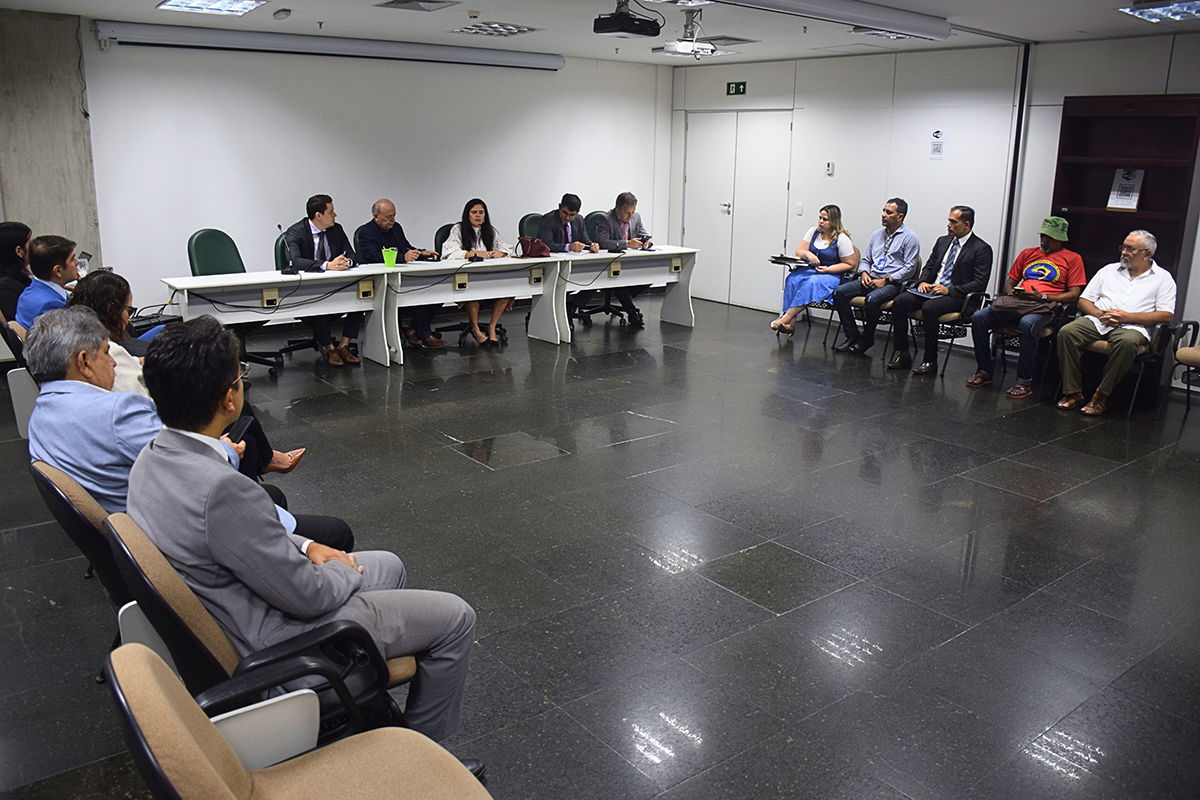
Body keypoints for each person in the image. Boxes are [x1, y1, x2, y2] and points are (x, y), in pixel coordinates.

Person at [127, 316, 476, 745]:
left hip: (245, 603)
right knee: (457, 618)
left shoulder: (151, 457)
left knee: (390, 565)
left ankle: (367, 707)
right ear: (229, 399)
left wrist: (309, 545)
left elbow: (232, 537)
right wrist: (343, 568)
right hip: (283, 648)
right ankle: (425, 754)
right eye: (240, 375)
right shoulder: (221, 489)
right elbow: (308, 597)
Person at [24, 308, 348, 549]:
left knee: (271, 495)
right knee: (337, 533)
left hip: (125, 531)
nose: (112, 362)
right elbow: (189, 468)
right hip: (172, 532)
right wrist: (226, 451)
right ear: (83, 362)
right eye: (107, 353)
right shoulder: (116, 411)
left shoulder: (40, 416)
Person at [67, 270, 305, 477]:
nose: (129, 318)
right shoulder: (113, 357)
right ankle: (267, 461)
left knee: (244, 423)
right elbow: (142, 404)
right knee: (241, 420)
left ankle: (268, 460)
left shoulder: (83, 344)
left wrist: (137, 362)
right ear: (110, 309)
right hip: (171, 423)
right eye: (128, 309)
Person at [1056, 229, 1176, 416]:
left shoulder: (1163, 278)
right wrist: (1098, 313)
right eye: (1123, 247)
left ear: (1147, 254)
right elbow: (1084, 300)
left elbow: (1166, 315)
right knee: (1067, 332)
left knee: (1127, 342)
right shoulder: (1108, 270)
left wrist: (1126, 317)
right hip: (1099, 320)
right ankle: (1073, 393)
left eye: (1130, 249)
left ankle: (1100, 397)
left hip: (1133, 326)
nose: (1124, 252)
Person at [967, 217, 1087, 398]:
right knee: (979, 318)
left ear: (1060, 238)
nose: (1044, 241)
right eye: (1043, 236)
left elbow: (1074, 294)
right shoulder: (1028, 254)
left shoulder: (1072, 258)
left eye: (1050, 237)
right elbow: (1010, 282)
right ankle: (984, 370)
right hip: (1019, 302)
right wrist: (1013, 292)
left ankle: (1024, 380)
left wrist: (1043, 297)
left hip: (1045, 307)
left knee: (1027, 324)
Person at [887, 205, 992, 374]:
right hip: (931, 290)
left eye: (953, 222)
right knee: (900, 302)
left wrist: (949, 290)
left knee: (929, 308)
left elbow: (979, 283)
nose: (948, 225)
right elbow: (929, 266)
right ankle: (903, 353)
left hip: (957, 296)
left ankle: (930, 361)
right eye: (948, 221)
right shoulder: (943, 241)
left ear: (967, 225)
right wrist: (922, 282)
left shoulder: (981, 248)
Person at [832, 198, 921, 355]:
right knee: (839, 292)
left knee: (872, 299)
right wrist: (864, 273)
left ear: (900, 216)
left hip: (893, 284)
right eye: (883, 211)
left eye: (889, 212)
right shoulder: (876, 235)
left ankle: (867, 339)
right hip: (871, 278)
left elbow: (909, 269)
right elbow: (866, 260)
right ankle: (852, 336)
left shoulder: (910, 237)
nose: (883, 215)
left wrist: (885, 281)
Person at [283, 194, 363, 366]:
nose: (335, 215)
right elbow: (294, 261)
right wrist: (327, 265)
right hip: (307, 291)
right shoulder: (295, 232)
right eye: (331, 212)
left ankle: (344, 345)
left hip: (336, 286)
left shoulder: (336, 229)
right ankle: (329, 349)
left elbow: (352, 255)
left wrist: (346, 262)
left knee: (362, 296)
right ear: (318, 215)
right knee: (318, 300)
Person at [356, 198, 446, 349]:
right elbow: (374, 257)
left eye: (394, 215)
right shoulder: (366, 233)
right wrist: (403, 257)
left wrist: (421, 253)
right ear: (376, 216)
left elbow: (406, 248)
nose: (392, 220)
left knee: (436, 291)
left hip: (401, 276)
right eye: (388, 217)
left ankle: (413, 330)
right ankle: (424, 334)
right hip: (381, 281)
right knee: (417, 292)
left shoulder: (396, 228)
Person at [770, 205, 857, 335]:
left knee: (810, 283)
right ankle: (790, 324)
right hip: (812, 271)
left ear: (834, 221)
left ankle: (785, 319)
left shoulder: (842, 238)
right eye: (820, 218)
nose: (821, 221)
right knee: (792, 279)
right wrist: (808, 254)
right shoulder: (813, 232)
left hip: (831, 274)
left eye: (825, 219)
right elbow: (799, 251)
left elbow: (850, 264)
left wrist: (828, 269)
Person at [441, 198, 513, 346]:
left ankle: (492, 326)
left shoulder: (490, 231)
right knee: (472, 291)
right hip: (467, 277)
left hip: (489, 275)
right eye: (474, 212)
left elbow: (507, 247)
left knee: (507, 288)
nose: (478, 215)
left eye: (481, 212)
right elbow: (449, 252)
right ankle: (475, 328)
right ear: (467, 214)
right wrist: (472, 254)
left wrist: (501, 253)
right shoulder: (458, 229)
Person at [594, 191, 651, 328]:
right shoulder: (605, 218)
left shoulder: (636, 217)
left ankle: (625, 294)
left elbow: (645, 235)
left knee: (650, 275)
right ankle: (632, 312)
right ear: (617, 208)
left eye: (632, 212)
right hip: (609, 263)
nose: (630, 216)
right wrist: (627, 244)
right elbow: (603, 242)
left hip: (629, 262)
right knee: (618, 282)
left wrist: (646, 243)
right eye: (626, 212)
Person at [15, 234, 78, 329]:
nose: (77, 262)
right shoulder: (52, 305)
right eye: (72, 259)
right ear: (58, 271)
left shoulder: (28, 292)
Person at [0, 221, 32, 323]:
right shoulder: (7, 287)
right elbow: (20, 325)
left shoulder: (18, 276)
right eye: (31, 244)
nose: (36, 248)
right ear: (19, 251)